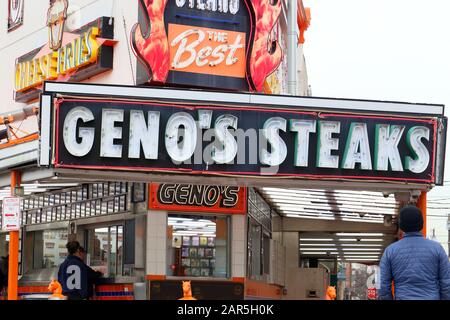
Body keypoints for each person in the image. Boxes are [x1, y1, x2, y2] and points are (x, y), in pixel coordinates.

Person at [379, 205, 450, 300]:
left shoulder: (390, 251)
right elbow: (446, 283)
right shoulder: (437, 249)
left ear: (401, 225)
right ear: (421, 223)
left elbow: (384, 286)